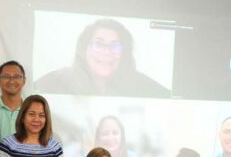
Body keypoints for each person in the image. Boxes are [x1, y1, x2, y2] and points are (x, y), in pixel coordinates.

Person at [35, 18, 169, 97]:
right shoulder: (51, 83)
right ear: (84, 48)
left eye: (115, 46)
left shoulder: (148, 88)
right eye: (98, 44)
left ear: (124, 54)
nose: (106, 52)